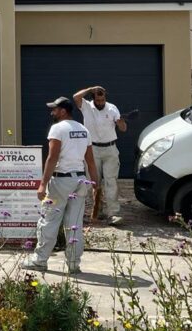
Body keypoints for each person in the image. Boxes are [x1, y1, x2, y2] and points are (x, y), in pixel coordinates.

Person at [21, 96, 98, 274]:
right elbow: (91, 161)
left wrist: (42, 184)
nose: (52, 112)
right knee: (74, 225)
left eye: (54, 109)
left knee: (49, 221)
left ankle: (40, 260)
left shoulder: (58, 129)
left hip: (60, 182)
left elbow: (52, 158)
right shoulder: (83, 130)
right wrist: (95, 184)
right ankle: (73, 264)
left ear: (63, 111)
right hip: (80, 182)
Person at [74, 85, 128, 225]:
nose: (100, 103)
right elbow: (76, 97)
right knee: (92, 182)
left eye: (102, 100)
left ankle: (113, 213)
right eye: (98, 100)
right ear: (93, 99)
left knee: (111, 181)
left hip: (110, 148)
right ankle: (95, 211)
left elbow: (123, 129)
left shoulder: (112, 108)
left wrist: (120, 122)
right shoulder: (86, 107)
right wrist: (90, 88)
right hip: (92, 149)